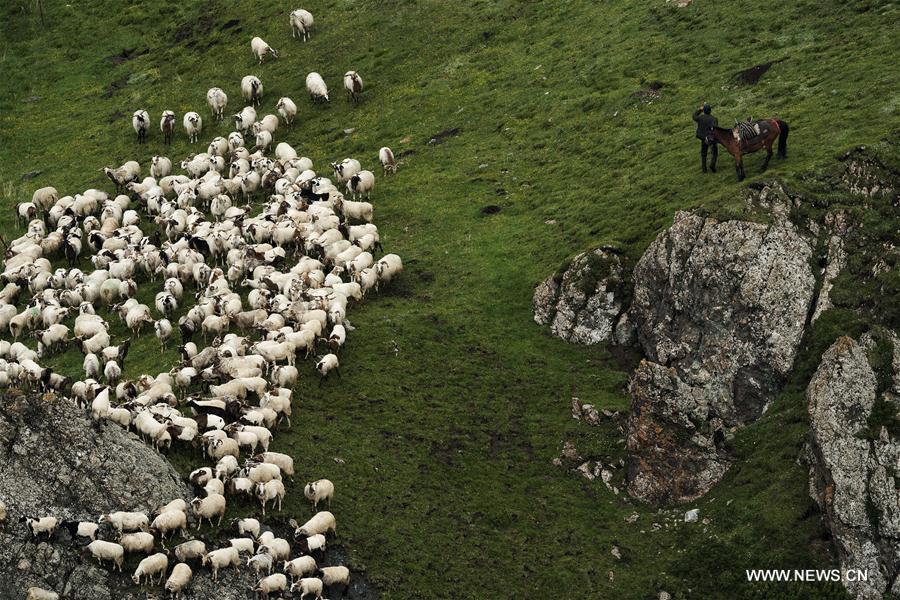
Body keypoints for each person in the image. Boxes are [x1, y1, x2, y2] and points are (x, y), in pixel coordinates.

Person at [692, 103, 718, 173]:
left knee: (703, 154)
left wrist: (699, 110)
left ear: (704, 111)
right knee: (714, 152)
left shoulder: (700, 118)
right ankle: (712, 164)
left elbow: (694, 116)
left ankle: (704, 169)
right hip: (711, 138)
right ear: (710, 110)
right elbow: (715, 129)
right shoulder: (714, 119)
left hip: (703, 138)